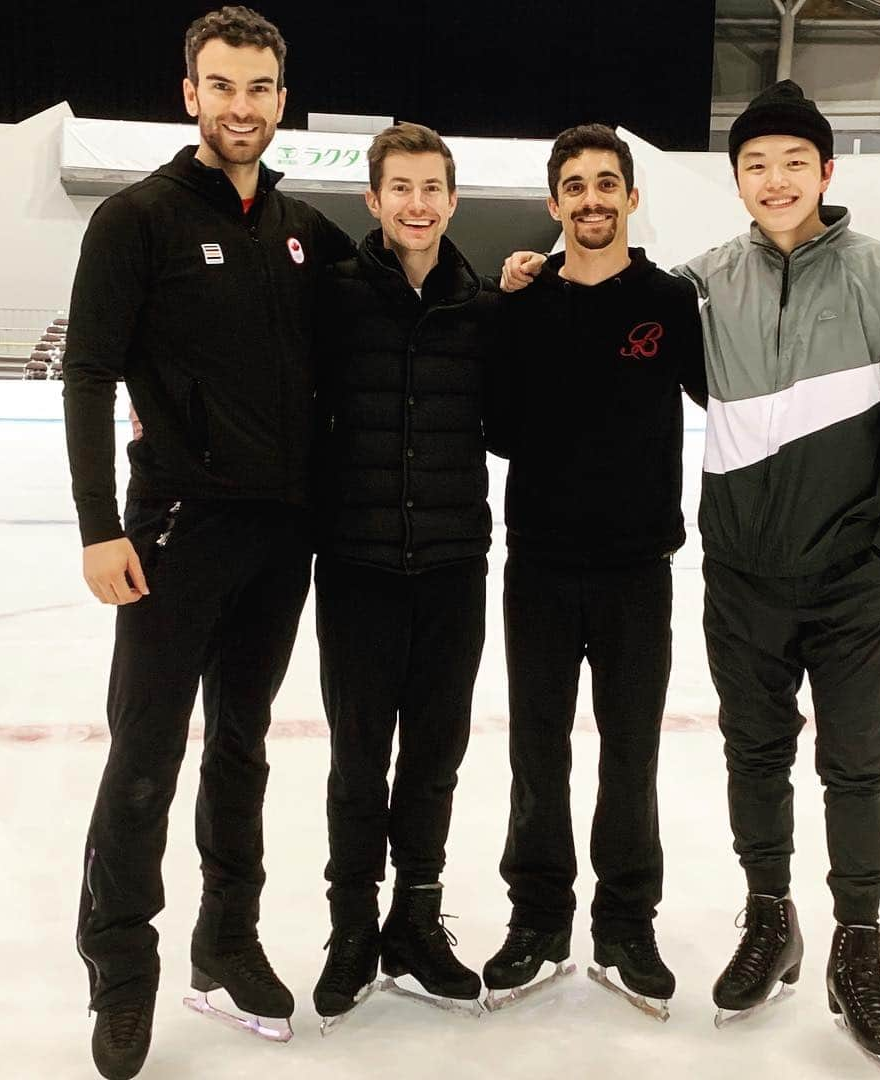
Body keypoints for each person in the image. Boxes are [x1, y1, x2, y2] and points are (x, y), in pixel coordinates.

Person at [63, 8, 352, 1077]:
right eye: (223, 86)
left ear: (284, 98)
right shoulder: (137, 219)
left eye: (261, 88)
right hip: (175, 533)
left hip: (282, 540)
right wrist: (100, 527)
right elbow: (90, 371)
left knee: (243, 746)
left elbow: (388, 310)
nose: (243, 106)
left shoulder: (303, 231)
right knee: (145, 755)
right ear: (190, 93)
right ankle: (120, 970)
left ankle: (226, 941)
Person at [680, 83, 880, 1062]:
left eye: (795, 161)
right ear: (737, 180)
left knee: (853, 766)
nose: (776, 178)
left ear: (826, 172)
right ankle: (769, 916)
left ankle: (859, 945)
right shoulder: (704, 281)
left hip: (851, 588)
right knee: (753, 757)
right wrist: (537, 275)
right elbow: (612, 318)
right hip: (741, 581)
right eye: (756, 164)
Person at [482, 124, 706, 1017]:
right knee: (537, 752)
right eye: (574, 186)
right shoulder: (523, 307)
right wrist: (507, 292)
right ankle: (537, 918)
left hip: (635, 570)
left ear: (632, 196)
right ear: (553, 204)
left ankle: (625, 924)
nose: (592, 200)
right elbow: (496, 430)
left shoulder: (669, 301)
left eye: (606, 183)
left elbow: (728, 397)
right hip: (538, 565)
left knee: (631, 753)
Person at [309, 123, 497, 1025]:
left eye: (433, 188)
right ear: (373, 200)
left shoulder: (481, 305)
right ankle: (352, 926)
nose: (418, 203)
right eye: (401, 188)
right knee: (357, 761)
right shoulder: (335, 296)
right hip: (358, 568)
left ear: (452, 201)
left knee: (434, 758)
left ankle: (416, 920)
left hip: (455, 566)